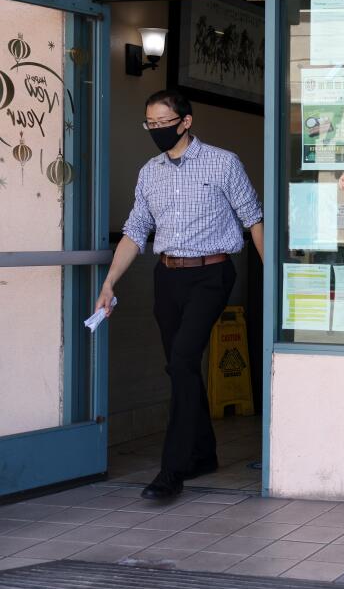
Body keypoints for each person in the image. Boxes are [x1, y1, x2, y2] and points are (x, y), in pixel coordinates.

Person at [94, 89, 264, 499]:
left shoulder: (223, 163)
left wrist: (275, 278)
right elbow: (135, 231)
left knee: (184, 359)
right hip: (167, 276)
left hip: (212, 273)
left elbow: (254, 219)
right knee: (180, 367)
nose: (156, 131)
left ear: (185, 122)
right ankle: (204, 453)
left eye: (163, 124)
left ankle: (172, 470)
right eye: (149, 124)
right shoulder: (149, 172)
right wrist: (109, 283)